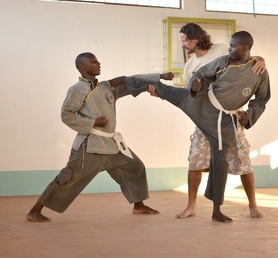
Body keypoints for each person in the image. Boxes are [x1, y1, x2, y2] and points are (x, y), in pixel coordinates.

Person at [26, 52, 174, 222]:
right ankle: (35, 211)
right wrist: (93, 122)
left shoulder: (106, 87)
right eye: (93, 61)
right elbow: (66, 114)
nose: (98, 63)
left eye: (97, 61)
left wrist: (158, 77)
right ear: (82, 66)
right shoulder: (77, 89)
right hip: (91, 146)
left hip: (112, 145)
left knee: (135, 167)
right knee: (69, 178)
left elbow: (130, 81)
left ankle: (138, 206)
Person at [146, 31, 270, 223]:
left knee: (243, 163)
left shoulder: (255, 69)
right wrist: (196, 85)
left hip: (232, 121)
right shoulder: (210, 62)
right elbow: (198, 79)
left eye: (186, 40)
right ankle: (191, 206)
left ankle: (251, 204)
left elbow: (262, 99)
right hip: (206, 117)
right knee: (196, 160)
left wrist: (250, 116)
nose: (183, 45)